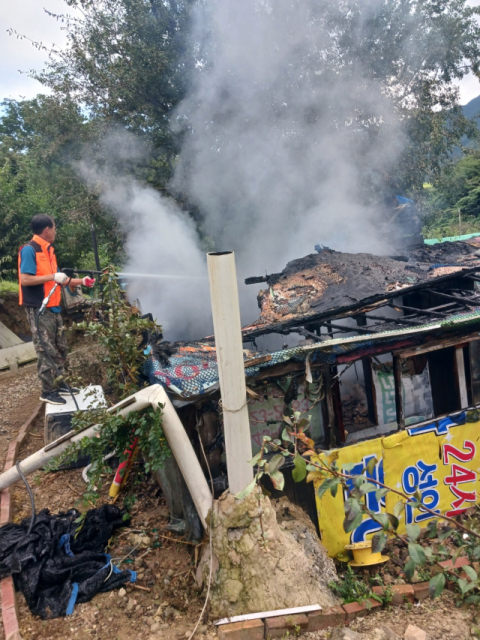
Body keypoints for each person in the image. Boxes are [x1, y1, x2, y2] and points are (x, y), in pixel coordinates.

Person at [18, 214, 95, 405]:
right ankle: (47, 391)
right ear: (47, 230)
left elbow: (60, 279)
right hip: (39, 309)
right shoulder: (30, 250)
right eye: (54, 228)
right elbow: (25, 279)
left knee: (61, 348)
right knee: (46, 350)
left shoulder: (49, 251)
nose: (55, 231)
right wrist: (53, 276)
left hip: (54, 307)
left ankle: (60, 384)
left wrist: (81, 282)